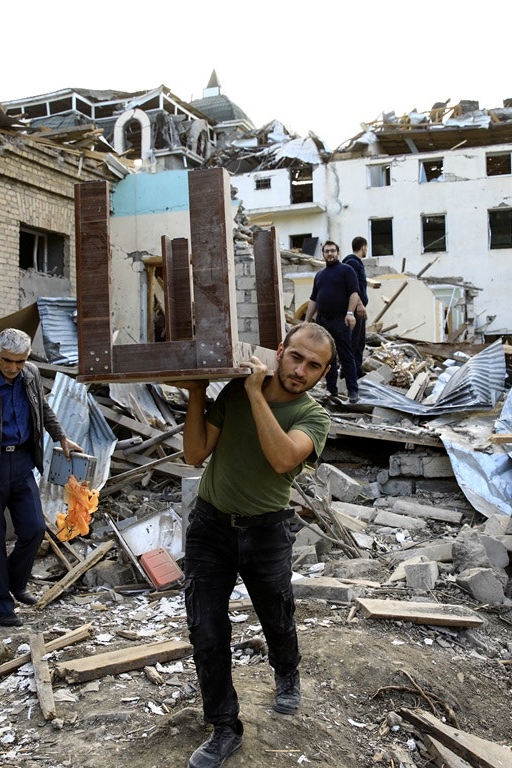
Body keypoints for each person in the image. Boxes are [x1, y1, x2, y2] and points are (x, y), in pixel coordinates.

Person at [177, 322, 335, 768]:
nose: (301, 370)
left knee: (276, 613)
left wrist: (253, 394)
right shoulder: (234, 392)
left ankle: (287, 671)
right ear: (280, 350)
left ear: (322, 375)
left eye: (314, 367)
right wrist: (195, 393)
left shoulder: (314, 417)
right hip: (212, 526)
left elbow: (283, 457)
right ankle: (225, 727)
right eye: (296, 357)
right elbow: (194, 454)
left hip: (267, 531)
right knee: (206, 630)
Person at [0, 328, 82, 628]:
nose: (12, 368)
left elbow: (43, 410)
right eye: (7, 360)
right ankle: (2, 606)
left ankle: (15, 583)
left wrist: (61, 436)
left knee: (35, 528)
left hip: (22, 463)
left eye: (19, 362)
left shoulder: (31, 375)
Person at [305, 240, 364, 403]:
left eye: (332, 251)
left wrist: (350, 313)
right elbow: (314, 299)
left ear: (338, 253)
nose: (329, 254)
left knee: (346, 356)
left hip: (340, 320)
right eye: (326, 251)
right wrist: (307, 320)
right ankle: (332, 391)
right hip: (323, 322)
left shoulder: (347, 270)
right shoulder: (320, 275)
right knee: (327, 357)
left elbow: (354, 293)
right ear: (323, 254)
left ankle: (353, 391)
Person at [342, 236, 370, 376]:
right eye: (366, 247)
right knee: (354, 342)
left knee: (359, 342)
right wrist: (359, 305)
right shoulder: (352, 263)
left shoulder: (355, 263)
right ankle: (349, 372)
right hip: (355, 309)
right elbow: (353, 287)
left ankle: (356, 370)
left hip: (358, 309)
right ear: (363, 247)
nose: (367, 250)